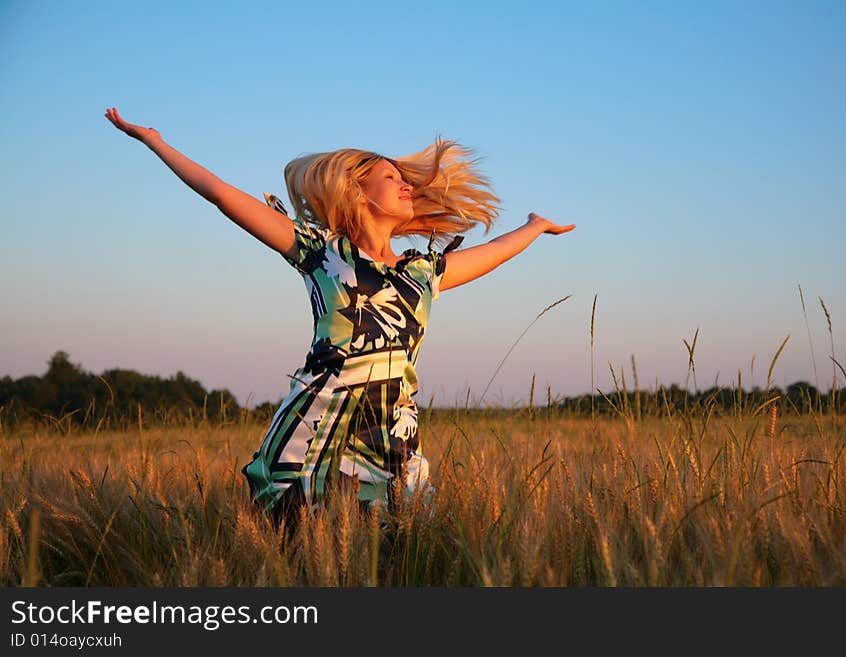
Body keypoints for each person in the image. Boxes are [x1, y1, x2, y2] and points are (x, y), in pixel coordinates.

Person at [104, 107, 575, 524]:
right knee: (301, 547)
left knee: (402, 547)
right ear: (357, 190)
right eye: (392, 178)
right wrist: (156, 143)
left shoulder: (423, 273)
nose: (406, 184)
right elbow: (223, 196)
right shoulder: (321, 252)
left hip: (390, 436)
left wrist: (532, 227)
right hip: (316, 432)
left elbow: (492, 251)